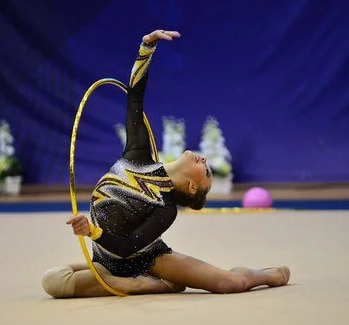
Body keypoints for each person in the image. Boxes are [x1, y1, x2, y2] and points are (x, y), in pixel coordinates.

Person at [42, 29, 290, 298]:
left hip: (145, 258)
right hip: (107, 261)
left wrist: (92, 231)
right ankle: (133, 283)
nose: (204, 159)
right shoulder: (136, 154)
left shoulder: (165, 209)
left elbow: (127, 247)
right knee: (52, 281)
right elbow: (134, 98)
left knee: (230, 284)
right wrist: (146, 48)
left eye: (205, 171)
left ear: (192, 187)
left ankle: (262, 274)